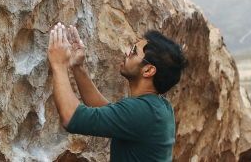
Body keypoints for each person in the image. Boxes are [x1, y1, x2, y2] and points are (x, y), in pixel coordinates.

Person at [47, 23, 188, 162]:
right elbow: (104, 110)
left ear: (148, 70)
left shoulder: (143, 111)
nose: (127, 52)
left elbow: (71, 118)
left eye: (134, 51)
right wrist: (78, 67)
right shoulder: (159, 107)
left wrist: (59, 64)